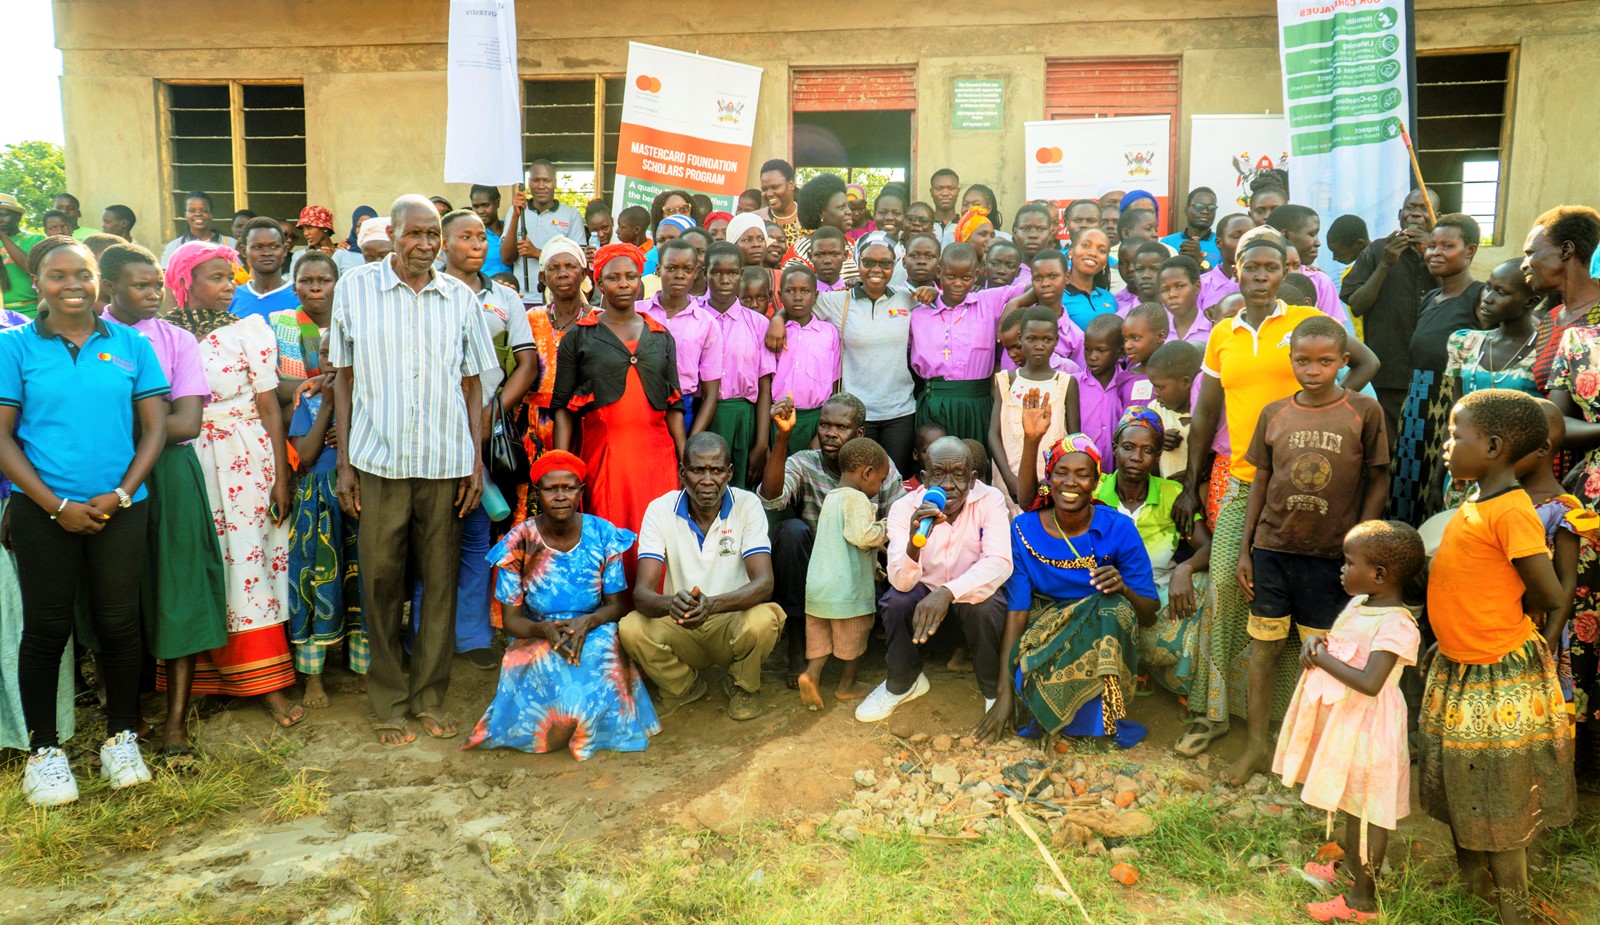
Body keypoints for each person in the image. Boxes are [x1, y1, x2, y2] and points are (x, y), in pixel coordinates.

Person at [1175, 233, 1380, 758]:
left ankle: (1293, 715)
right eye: (1252, 267)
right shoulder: (1223, 332)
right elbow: (1205, 411)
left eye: (1271, 266)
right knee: (1226, 583)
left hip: (1309, 483)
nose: (1261, 275)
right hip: (1245, 477)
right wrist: (1193, 479)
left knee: (1306, 600)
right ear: (1237, 271)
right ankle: (1216, 711)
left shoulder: (1306, 325)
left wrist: (1329, 411)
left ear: (1284, 269)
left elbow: (1366, 363)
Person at [0, 236, 167, 806]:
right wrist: (56, 506)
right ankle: (44, 753)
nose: (72, 285)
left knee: (120, 625)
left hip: (120, 508)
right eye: (57, 275)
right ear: (38, 280)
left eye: (84, 274)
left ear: (100, 281)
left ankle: (121, 738)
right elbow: (2, 437)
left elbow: (155, 429)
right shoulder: (15, 347)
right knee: (47, 630)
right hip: (43, 510)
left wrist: (120, 494)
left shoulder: (129, 345)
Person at [331, 195, 498, 746]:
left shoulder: (460, 298)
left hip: (445, 463)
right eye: (415, 234)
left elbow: (475, 384)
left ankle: (428, 696)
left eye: (433, 236)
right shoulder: (355, 289)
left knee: (439, 581)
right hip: (378, 462)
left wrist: (475, 463)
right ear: (392, 233)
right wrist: (347, 466)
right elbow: (344, 379)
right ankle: (387, 700)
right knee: (379, 581)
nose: (424, 245)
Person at [1423, 389, 1573, 925]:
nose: (1445, 444)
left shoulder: (1511, 513)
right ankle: (1474, 883)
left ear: (1491, 446)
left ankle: (1515, 910)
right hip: (1460, 666)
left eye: (1454, 436)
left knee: (1500, 796)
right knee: (1464, 784)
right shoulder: (1476, 502)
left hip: (1495, 679)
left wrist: (1537, 662)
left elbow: (1551, 596)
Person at [1230, 315, 1390, 785]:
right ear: (1291, 360)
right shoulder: (1275, 413)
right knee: (1263, 650)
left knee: (1321, 653)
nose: (1313, 370)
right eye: (1303, 360)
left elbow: (1379, 478)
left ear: (1344, 362)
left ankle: (1316, 752)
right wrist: (1246, 549)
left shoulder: (1364, 412)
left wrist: (1359, 544)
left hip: (1330, 558)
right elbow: (1260, 481)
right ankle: (1257, 744)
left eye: (1325, 361)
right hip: (1273, 549)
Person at [162, 240, 303, 729]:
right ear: (185, 281)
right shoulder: (157, 334)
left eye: (231, 278)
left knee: (250, 563)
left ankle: (265, 683)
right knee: (196, 562)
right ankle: (203, 681)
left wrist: (281, 478)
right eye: (217, 278)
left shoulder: (249, 330)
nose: (228, 287)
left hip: (246, 457)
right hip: (186, 458)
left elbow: (269, 406)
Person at [99, 244, 228, 763]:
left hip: (169, 475)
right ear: (108, 288)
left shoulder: (175, 339)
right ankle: (124, 718)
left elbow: (186, 424)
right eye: (140, 285)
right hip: (99, 473)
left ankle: (175, 723)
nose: (155, 294)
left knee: (180, 588)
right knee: (113, 594)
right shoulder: (87, 337)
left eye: (158, 284)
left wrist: (106, 421)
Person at [463, 451, 659, 759]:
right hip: (537, 629)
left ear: (581, 492)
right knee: (534, 660)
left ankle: (590, 732)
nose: (560, 496)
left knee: (599, 652)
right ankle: (550, 734)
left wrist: (587, 623)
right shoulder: (519, 540)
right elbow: (512, 620)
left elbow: (615, 606)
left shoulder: (603, 534)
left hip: (593, 626)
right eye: (551, 488)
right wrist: (543, 630)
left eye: (568, 488)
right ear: (538, 494)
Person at [1276, 520, 1425, 923]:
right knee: (1350, 799)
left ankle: (1363, 899)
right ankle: (1351, 871)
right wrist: (1316, 641)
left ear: (1379, 574)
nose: (1341, 569)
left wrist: (1322, 658)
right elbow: (1343, 642)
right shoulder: (1361, 604)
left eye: (1348, 562)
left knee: (1369, 809)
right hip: (1347, 720)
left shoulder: (1397, 624)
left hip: (1371, 726)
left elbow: (1371, 682)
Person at [973, 434, 1159, 746]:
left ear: (1096, 481)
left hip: (1103, 631)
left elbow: (1149, 614)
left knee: (1113, 609)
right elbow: (1017, 612)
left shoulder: (1118, 528)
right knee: (1024, 682)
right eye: (1061, 472)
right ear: (1048, 477)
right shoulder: (1023, 529)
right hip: (1046, 630)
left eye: (1083, 474)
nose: (1070, 483)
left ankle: (1101, 724)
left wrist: (1124, 587)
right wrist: (1003, 695)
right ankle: (1048, 713)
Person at [420, 209, 538, 669]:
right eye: (465, 237)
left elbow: (527, 364)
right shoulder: (427, 294)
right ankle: (423, 638)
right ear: (442, 244)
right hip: (431, 433)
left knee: (474, 535)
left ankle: (469, 637)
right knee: (427, 537)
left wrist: (490, 418)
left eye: (480, 237)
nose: (477, 244)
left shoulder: (504, 297)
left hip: (485, 437)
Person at [619, 433, 785, 720]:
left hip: (731, 621)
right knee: (630, 628)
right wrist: (672, 603)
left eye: (717, 470)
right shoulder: (660, 510)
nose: (707, 480)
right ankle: (684, 686)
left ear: (729, 473)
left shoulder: (747, 505)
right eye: (698, 470)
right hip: (680, 622)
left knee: (765, 619)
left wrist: (713, 605)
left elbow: (764, 584)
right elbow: (642, 595)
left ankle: (743, 685)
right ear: (683, 474)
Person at [552, 242, 685, 582]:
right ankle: (616, 615)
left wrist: (684, 458)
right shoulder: (578, 337)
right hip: (605, 456)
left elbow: (674, 405)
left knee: (656, 532)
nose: (623, 284)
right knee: (611, 533)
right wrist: (563, 463)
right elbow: (563, 407)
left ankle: (655, 616)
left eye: (631, 276)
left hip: (658, 458)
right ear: (598, 283)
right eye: (613, 277)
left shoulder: (660, 335)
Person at [862, 436, 1013, 723]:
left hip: (968, 599)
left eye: (957, 475)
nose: (947, 485)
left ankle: (994, 690)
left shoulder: (990, 500)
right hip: (922, 607)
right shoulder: (905, 507)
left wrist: (948, 591)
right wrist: (914, 542)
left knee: (987, 605)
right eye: (938, 475)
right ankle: (903, 683)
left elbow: (1000, 562)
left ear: (972, 479)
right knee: (896, 602)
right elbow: (901, 582)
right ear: (923, 478)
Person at [762, 392, 904, 683]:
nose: (830, 433)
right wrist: (782, 438)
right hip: (817, 572)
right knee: (790, 532)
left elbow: (898, 524)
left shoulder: (880, 467)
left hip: (861, 568)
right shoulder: (805, 463)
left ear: (859, 433)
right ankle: (797, 645)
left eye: (841, 428)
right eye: (825, 425)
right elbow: (770, 499)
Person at [1098, 408, 1212, 700]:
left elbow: (1208, 547)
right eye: (1128, 448)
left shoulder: (1172, 494)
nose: (1136, 457)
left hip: (1161, 593)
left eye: (1147, 450)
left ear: (1158, 455)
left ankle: (1179, 682)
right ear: (1114, 449)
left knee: (1207, 586)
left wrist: (1185, 569)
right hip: (1106, 592)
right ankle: (1134, 668)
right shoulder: (1095, 492)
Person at [286, 329, 364, 709]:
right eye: (323, 352)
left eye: (338, 351)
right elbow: (306, 453)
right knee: (314, 583)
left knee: (361, 581)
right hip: (319, 502)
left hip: (361, 499)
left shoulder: (369, 393)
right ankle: (313, 679)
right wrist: (330, 405)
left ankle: (363, 667)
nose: (330, 358)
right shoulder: (311, 398)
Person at [1390, 214, 1484, 525]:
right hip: (1417, 402)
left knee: (1438, 489)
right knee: (1405, 485)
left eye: (1447, 246)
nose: (1435, 253)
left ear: (1469, 250)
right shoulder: (1431, 297)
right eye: (1431, 246)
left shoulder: (1479, 297)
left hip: (1451, 405)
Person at [1341, 189, 1441, 442]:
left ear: (1437, 217)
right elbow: (1357, 304)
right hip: (1388, 376)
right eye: (1410, 207)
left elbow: (1454, 294)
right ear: (1400, 215)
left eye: (1424, 208)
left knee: (1427, 447)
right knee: (1388, 448)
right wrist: (1386, 263)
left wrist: (1428, 253)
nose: (1416, 213)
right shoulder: (1377, 251)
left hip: (1434, 375)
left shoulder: (1444, 254)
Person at [798, 436, 890, 710]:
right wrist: (887, 527)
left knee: (820, 640)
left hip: (818, 590)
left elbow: (843, 543)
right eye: (881, 480)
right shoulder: (857, 498)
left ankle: (811, 674)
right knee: (854, 637)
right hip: (846, 591)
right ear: (867, 473)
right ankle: (846, 685)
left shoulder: (832, 498)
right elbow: (860, 536)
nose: (880, 486)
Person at [909, 242, 1028, 445]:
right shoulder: (919, 311)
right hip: (936, 402)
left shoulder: (989, 301)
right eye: (950, 276)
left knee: (976, 460)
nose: (958, 283)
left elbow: (1038, 286)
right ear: (939, 272)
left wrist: (1014, 304)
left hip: (978, 403)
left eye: (966, 278)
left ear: (976, 275)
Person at [699, 243, 774, 489]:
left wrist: (761, 442)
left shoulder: (759, 323)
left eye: (732, 273)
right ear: (704, 274)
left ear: (741, 274)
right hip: (702, 415)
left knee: (739, 488)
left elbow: (765, 386)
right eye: (716, 272)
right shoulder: (693, 317)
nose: (724, 279)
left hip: (743, 418)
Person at [990, 306, 1079, 508]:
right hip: (1007, 481)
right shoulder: (1006, 381)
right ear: (1021, 338)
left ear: (1056, 340)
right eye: (1032, 339)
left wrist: (1054, 478)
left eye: (1047, 340)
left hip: (1051, 482)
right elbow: (994, 434)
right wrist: (1009, 478)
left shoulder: (1066, 383)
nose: (1039, 346)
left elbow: (1074, 440)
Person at [639, 237, 723, 436]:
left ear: (696, 273)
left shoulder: (706, 323)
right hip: (638, 404)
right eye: (671, 268)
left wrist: (691, 442)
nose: (679, 275)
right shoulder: (637, 313)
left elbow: (711, 393)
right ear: (658, 269)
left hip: (683, 407)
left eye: (687, 269)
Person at [770, 263, 841, 452]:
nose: (798, 297)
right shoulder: (774, 332)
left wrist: (825, 428)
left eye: (805, 291)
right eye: (790, 291)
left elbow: (834, 386)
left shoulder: (829, 333)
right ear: (779, 296)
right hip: (778, 416)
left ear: (816, 295)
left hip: (816, 419)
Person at [502, 160, 583, 295]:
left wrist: (537, 253)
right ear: (529, 183)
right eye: (536, 180)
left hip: (558, 297)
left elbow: (578, 261)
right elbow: (506, 258)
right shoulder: (515, 211)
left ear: (555, 183)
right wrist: (516, 216)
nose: (541, 186)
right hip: (522, 296)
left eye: (546, 180)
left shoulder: (571, 215)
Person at [269, 250, 338, 403]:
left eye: (324, 280)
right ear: (294, 288)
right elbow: (270, 388)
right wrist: (325, 382)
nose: (315, 288)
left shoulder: (350, 328)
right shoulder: (277, 326)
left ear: (337, 286)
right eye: (306, 281)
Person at [1075, 314, 1132, 457]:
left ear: (1120, 352)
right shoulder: (1073, 384)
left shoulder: (1129, 386)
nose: (1092, 356)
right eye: (1087, 349)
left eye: (1100, 350)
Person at [788, 173, 858, 288]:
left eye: (848, 206)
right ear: (821, 212)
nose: (849, 212)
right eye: (841, 207)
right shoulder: (799, 252)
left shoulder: (852, 244)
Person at [1145, 340, 1201, 481]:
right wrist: (1158, 442)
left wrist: (1190, 476)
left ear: (1186, 382)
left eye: (1160, 387)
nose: (1155, 393)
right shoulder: (1154, 411)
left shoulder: (1207, 414)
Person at [230, 217, 299, 321]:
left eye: (274, 246)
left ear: (284, 250)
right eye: (257, 247)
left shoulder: (299, 297)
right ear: (244, 251)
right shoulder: (231, 297)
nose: (266, 253)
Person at [1197, 214, 1256, 315]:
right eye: (1237, 237)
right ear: (1219, 242)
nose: (1245, 242)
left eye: (1251, 238)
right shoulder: (1201, 286)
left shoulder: (1264, 281)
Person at [1061, 229, 1116, 330]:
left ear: (1105, 263)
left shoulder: (1109, 298)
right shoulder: (1057, 296)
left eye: (1102, 251)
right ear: (1071, 252)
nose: (1093, 253)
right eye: (1085, 245)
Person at [0, 194, 45, 317]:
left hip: (30, 312)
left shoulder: (36, 240)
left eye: (3, 215)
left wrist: (3, 236)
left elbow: (32, 269)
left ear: (18, 217)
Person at [161, 191, 235, 265]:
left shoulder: (230, 244)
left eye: (204, 210)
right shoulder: (174, 247)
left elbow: (240, 273)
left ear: (211, 214)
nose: (198, 214)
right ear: (185, 215)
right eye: (191, 211)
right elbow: (166, 274)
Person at [1158, 256, 1212, 345]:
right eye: (1165, 289)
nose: (1172, 295)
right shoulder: (1158, 333)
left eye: (1179, 286)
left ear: (1197, 287)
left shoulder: (1212, 329)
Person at [1162, 187, 1221, 269]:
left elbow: (1223, 281)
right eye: (1199, 206)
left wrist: (1199, 259)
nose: (1205, 211)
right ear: (1186, 210)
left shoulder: (1221, 244)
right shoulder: (1167, 242)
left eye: (1211, 208)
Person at [756, 159, 801, 249]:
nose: (769, 194)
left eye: (775, 187)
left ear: (791, 185)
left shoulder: (811, 218)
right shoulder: (755, 220)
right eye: (764, 189)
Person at [469, 185, 511, 277]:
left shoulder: (510, 230)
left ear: (497, 203)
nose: (480, 211)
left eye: (485, 205)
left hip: (512, 288)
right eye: (476, 206)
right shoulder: (472, 236)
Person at [928, 168, 961, 239]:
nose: (945, 193)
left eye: (951, 188)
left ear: (958, 191)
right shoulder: (924, 227)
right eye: (939, 189)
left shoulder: (966, 226)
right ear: (931, 192)